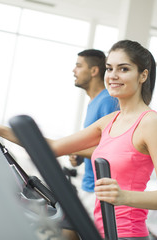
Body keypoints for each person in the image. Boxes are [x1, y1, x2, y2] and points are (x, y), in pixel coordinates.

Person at [0, 39, 157, 239]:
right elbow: (52, 148)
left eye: (123, 69)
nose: (113, 76)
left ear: (143, 75)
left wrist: (124, 196)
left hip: (126, 234)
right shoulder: (110, 121)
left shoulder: (150, 122)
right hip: (97, 231)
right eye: (109, 68)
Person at [69, 49, 119, 219]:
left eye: (78, 66)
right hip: (88, 185)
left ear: (94, 71)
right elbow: (96, 143)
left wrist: (77, 150)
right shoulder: (94, 102)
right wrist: (80, 156)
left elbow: (110, 149)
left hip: (98, 191)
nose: (74, 70)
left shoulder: (108, 101)